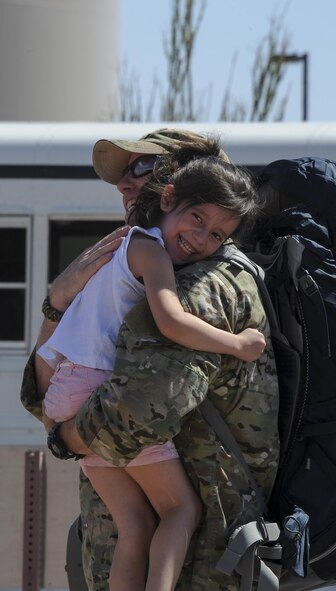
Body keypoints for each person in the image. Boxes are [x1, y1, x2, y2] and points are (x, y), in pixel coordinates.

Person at [21, 128, 280, 591]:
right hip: (137, 557)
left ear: (175, 184)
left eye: (141, 168)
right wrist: (56, 301)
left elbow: (133, 412)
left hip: (198, 569)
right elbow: (41, 394)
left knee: (174, 512)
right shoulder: (131, 257)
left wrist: (64, 437)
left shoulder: (204, 284)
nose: (123, 184)